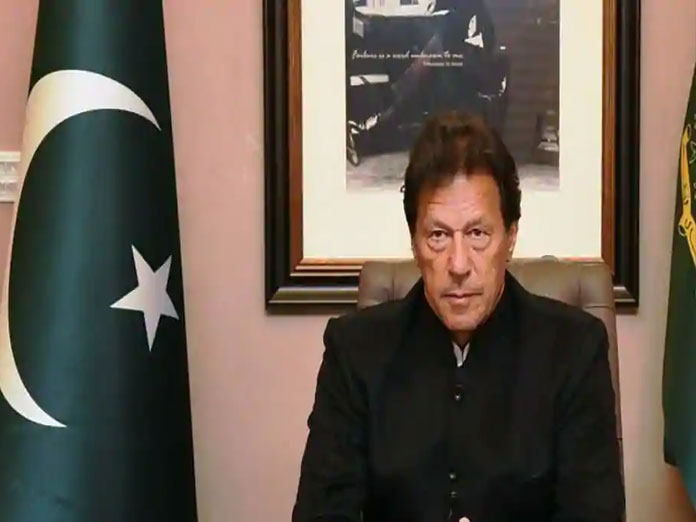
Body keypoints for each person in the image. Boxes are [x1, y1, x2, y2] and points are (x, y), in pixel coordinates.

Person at [292, 111, 625, 521]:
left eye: (477, 234)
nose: (459, 264)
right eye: (438, 235)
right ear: (414, 243)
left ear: (511, 237)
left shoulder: (574, 350)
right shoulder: (354, 352)